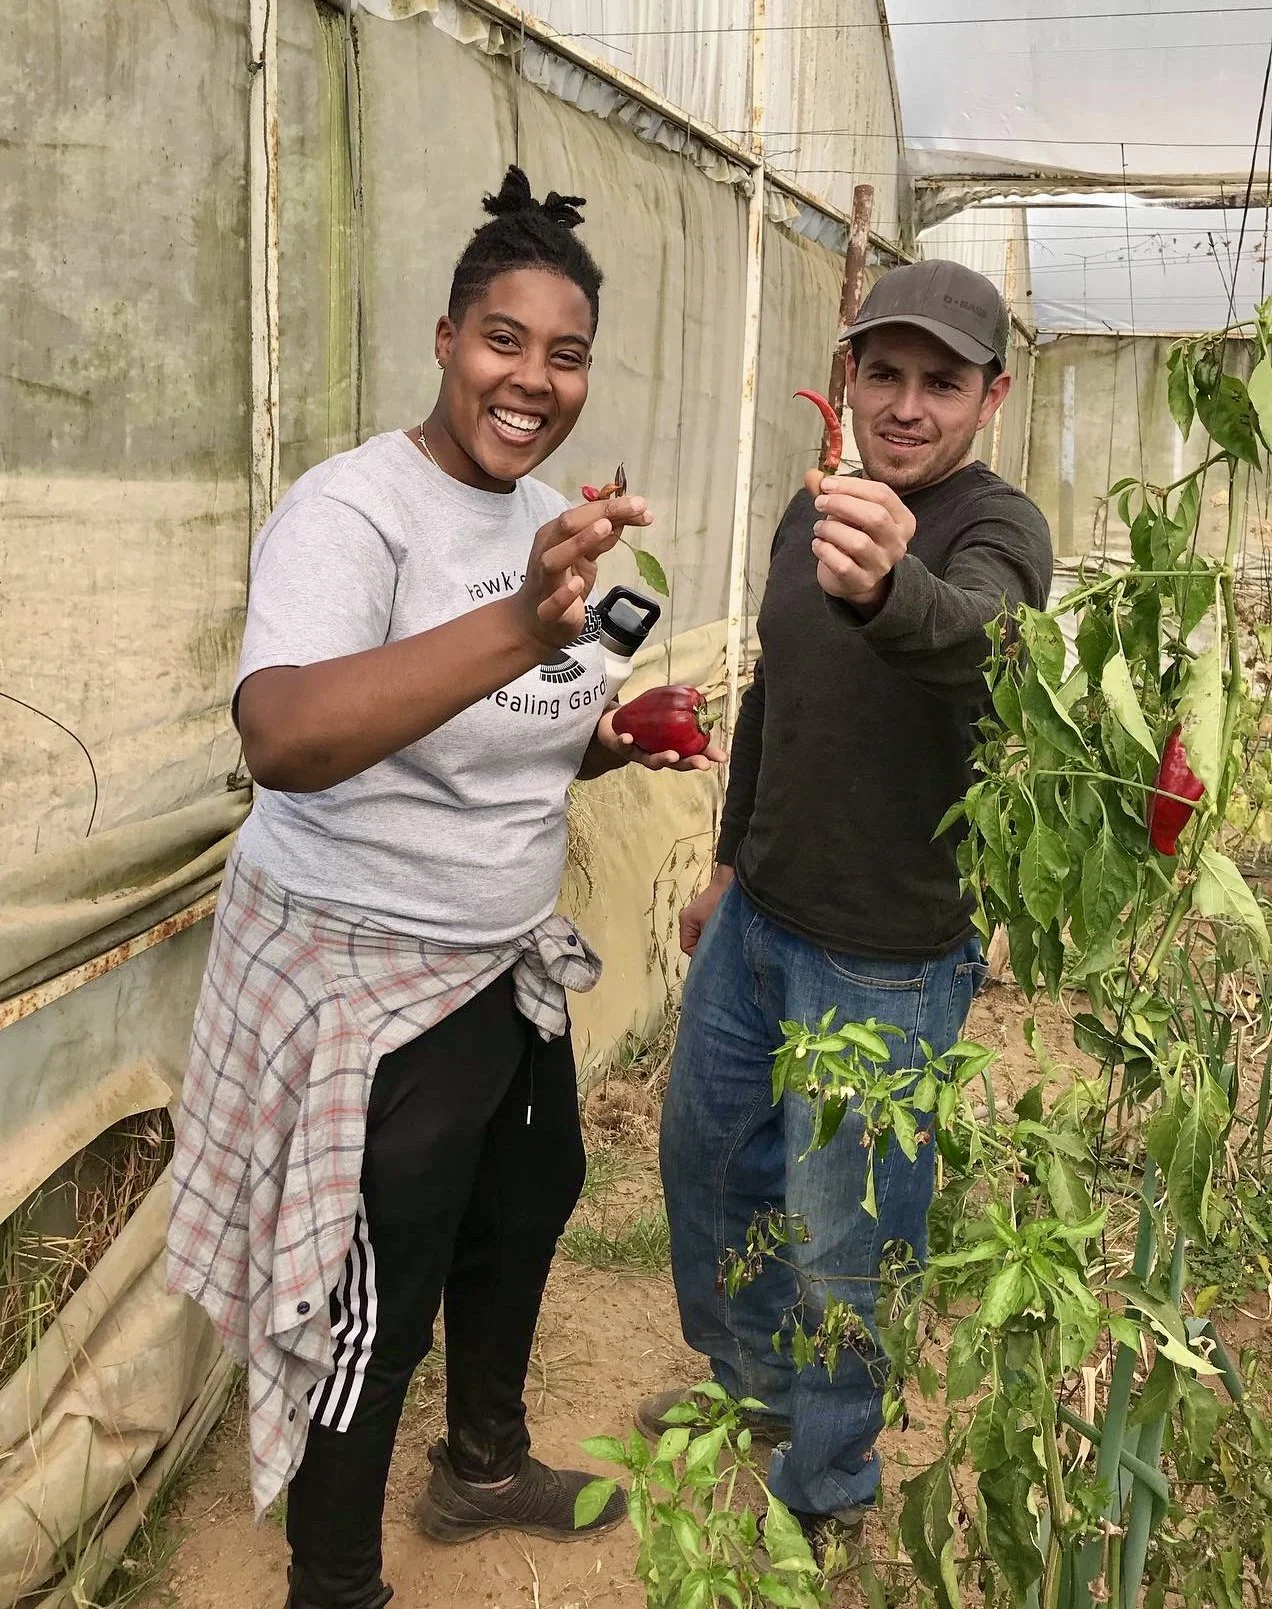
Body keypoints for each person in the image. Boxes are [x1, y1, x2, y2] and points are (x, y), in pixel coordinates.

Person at [167, 165, 721, 1609]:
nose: (532, 377)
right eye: (502, 338)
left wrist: (616, 733)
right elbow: (283, 737)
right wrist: (519, 623)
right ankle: (333, 1583)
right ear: (444, 339)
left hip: (495, 957)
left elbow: (520, 733)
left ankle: (480, 1467)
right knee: (377, 1292)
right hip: (362, 968)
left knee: (529, 1196)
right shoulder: (354, 514)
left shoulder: (559, 524)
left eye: (567, 351)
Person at [643, 261, 1053, 1542]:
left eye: (942, 382)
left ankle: (830, 1482)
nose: (909, 405)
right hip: (761, 914)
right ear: (850, 381)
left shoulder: (999, 530)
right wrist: (724, 863)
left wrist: (885, 585)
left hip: (885, 959)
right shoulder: (807, 506)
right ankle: (762, 1387)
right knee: (707, 1164)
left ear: (991, 396)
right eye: (886, 373)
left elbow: (982, 640)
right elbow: (772, 694)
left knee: (845, 1238)